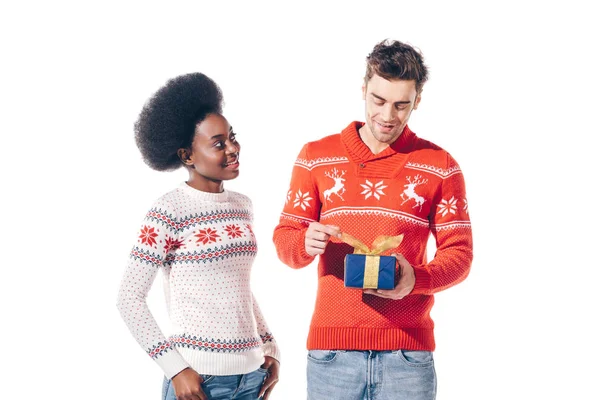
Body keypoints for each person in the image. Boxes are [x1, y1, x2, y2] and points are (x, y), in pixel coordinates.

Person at [273, 39, 473, 400]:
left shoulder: (441, 166)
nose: (387, 115)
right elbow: (285, 242)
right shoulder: (315, 157)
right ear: (363, 89)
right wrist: (303, 243)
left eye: (401, 105)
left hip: (408, 356)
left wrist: (417, 278)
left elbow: (459, 256)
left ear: (418, 101)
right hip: (331, 354)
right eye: (378, 101)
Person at [117, 72, 280, 400]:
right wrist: (174, 368)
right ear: (186, 156)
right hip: (200, 382)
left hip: (251, 379)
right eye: (219, 143)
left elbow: (238, 287)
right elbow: (129, 299)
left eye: (232, 137)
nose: (233, 149)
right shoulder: (168, 211)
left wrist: (269, 345)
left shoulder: (242, 206)